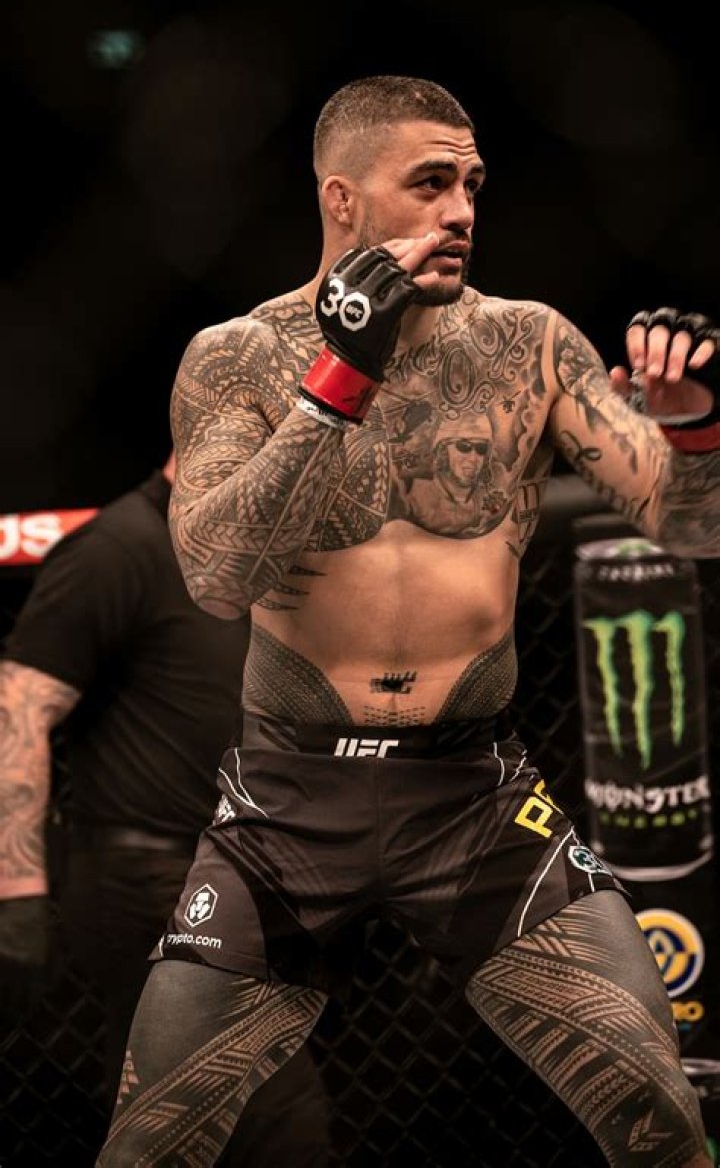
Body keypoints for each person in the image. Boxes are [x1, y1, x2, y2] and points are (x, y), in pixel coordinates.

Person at [96, 75, 720, 1168]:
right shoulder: (235, 356)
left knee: (659, 1107)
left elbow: (694, 528)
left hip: (476, 796)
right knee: (148, 1145)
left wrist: (696, 432)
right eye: (430, 183)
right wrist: (340, 376)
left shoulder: (529, 346)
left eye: (471, 185)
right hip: (286, 804)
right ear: (343, 199)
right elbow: (216, 577)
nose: (461, 211)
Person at [0, 452, 331, 1166]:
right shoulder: (120, 547)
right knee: (278, 1125)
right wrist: (16, 893)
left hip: (237, 878)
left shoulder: (250, 560)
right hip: (150, 881)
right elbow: (18, 711)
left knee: (171, 1131)